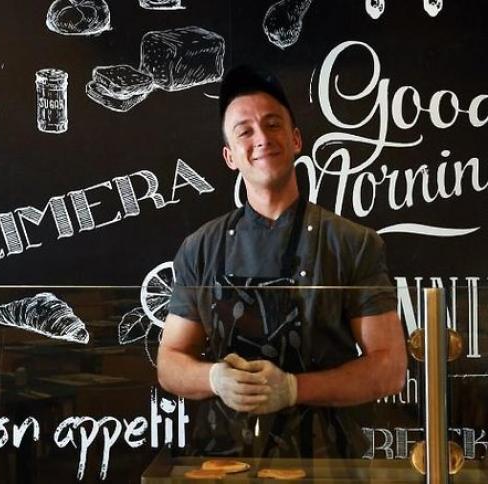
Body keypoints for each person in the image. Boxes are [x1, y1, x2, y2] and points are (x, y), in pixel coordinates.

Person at [157, 65, 406, 458]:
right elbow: (169, 362)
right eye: (245, 131)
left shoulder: (353, 244)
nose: (262, 138)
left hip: (327, 460)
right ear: (230, 157)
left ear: (296, 140)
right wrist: (215, 378)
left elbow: (389, 368)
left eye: (273, 125)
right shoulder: (200, 248)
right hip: (225, 459)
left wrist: (293, 388)